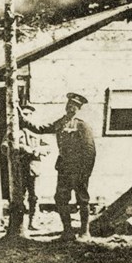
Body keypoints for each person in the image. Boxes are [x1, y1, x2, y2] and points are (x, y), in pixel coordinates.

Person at [21, 92, 96, 241]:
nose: (70, 108)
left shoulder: (82, 125)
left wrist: (86, 172)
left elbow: (90, 151)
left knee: (82, 199)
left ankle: (84, 232)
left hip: (79, 170)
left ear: (79, 108)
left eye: (74, 106)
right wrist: (22, 119)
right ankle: (67, 231)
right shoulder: (61, 123)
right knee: (61, 199)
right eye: (69, 105)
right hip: (64, 169)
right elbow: (40, 128)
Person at [0, 104, 49, 230]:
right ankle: (18, 223)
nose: (26, 117)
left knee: (34, 196)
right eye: (24, 114)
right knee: (18, 197)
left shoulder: (37, 131)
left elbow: (48, 147)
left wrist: (37, 149)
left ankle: (33, 222)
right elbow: (4, 146)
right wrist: (19, 149)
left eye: (29, 114)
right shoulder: (14, 131)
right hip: (19, 168)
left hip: (33, 168)